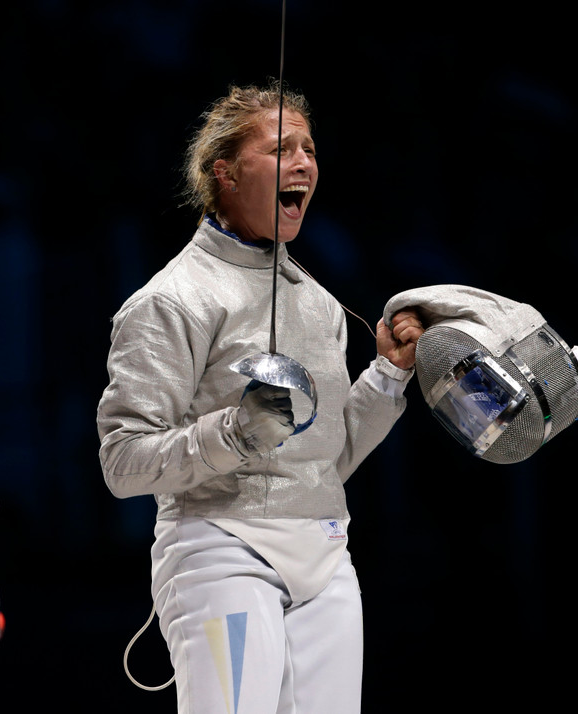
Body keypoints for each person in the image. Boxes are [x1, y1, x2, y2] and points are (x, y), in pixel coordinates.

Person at [96, 83, 423, 713]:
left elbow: (325, 460)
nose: (302, 162)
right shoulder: (172, 300)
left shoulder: (319, 303)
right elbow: (123, 462)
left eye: (309, 148)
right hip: (223, 547)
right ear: (224, 172)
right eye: (280, 149)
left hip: (326, 556)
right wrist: (238, 432)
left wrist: (385, 378)